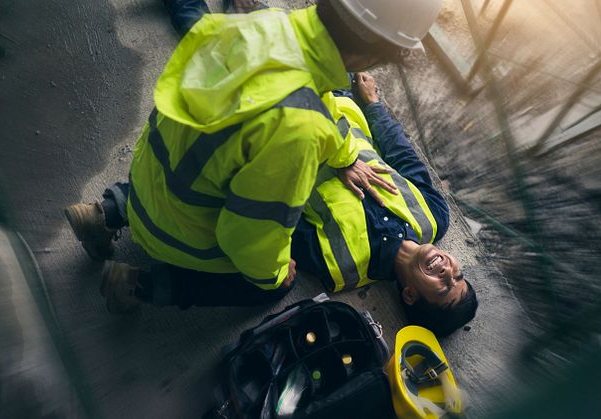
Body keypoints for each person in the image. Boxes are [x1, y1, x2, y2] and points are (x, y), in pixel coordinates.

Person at [64, 0, 444, 312]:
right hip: (173, 228)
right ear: (375, 53)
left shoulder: (270, 24)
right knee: (269, 288)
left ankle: (105, 212)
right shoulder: (298, 130)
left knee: (219, 156)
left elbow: (319, 95)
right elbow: (246, 237)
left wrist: (345, 156)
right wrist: (276, 273)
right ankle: (136, 285)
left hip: (153, 175)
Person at [292, 72, 478, 336]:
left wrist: (335, 162)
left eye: (444, 286)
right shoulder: (436, 217)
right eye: (458, 276)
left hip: (287, 119)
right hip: (341, 99)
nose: (448, 271)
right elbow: (402, 154)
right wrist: (372, 105)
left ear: (410, 296)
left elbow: (277, 201)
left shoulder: (337, 269)